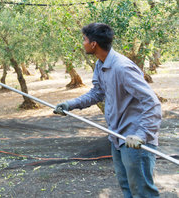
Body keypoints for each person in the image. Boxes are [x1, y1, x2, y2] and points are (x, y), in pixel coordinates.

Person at [54, 23, 161, 198]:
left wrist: (142, 134)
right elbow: (97, 93)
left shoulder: (122, 68)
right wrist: (69, 104)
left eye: (84, 40)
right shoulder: (101, 64)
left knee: (142, 192)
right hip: (117, 138)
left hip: (135, 139)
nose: (83, 43)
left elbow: (152, 102)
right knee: (127, 188)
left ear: (94, 44)